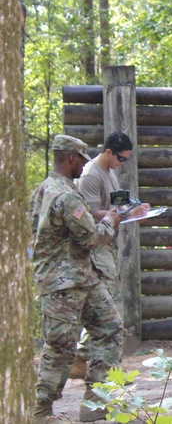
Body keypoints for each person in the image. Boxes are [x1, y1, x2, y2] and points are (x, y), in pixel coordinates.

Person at [31, 135, 123, 423]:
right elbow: (91, 238)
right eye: (82, 160)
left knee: (109, 327)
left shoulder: (45, 188)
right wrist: (110, 221)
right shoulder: (67, 196)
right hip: (64, 284)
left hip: (83, 277)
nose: (84, 165)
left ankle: (97, 405)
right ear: (71, 158)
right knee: (60, 346)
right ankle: (40, 412)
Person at [68, 131, 148, 380]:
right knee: (111, 309)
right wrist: (128, 215)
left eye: (126, 160)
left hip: (107, 245)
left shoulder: (109, 171)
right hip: (96, 247)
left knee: (104, 307)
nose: (122, 163)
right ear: (108, 151)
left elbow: (114, 206)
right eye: (120, 159)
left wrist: (135, 208)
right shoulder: (91, 174)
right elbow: (91, 213)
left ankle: (82, 359)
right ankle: (106, 371)